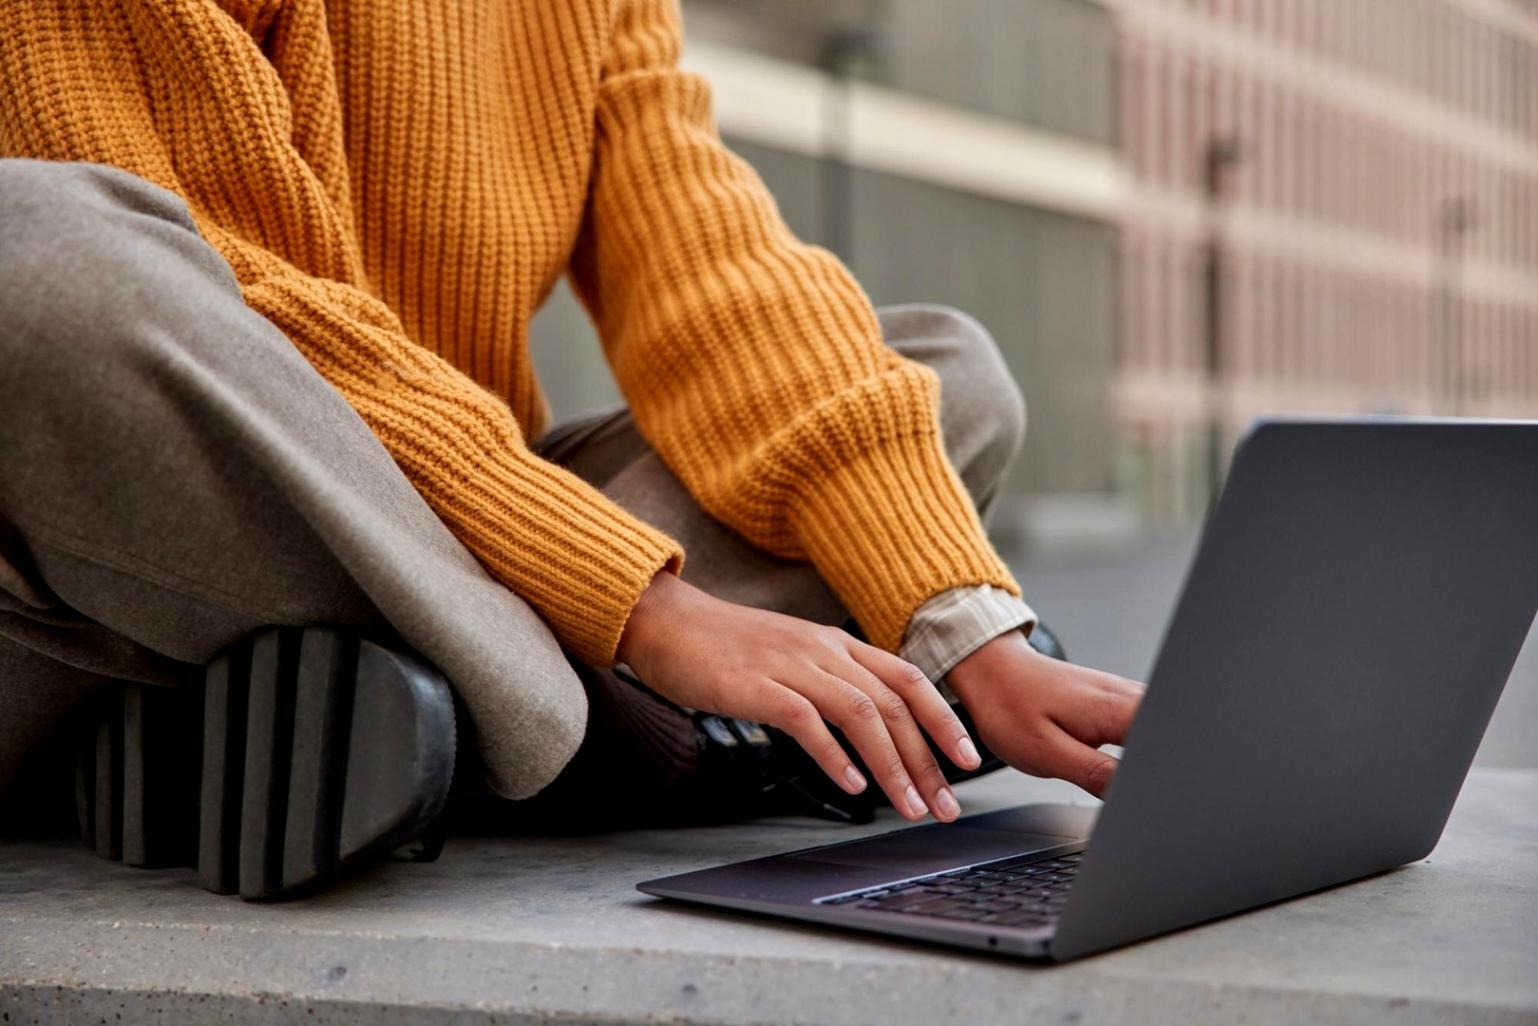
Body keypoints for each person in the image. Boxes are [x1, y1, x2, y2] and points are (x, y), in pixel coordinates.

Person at [0, 0, 1143, 896]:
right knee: (32, 250)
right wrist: (646, 612)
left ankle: (377, 718)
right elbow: (244, 299)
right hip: (91, 569)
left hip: (422, 533)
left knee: (942, 376)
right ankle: (622, 744)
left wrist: (960, 623)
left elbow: (708, 268)